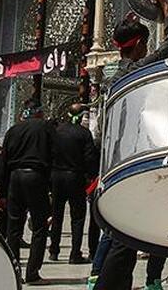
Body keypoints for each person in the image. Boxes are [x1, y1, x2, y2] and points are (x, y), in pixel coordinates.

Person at [93, 0, 168, 290]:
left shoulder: (113, 77)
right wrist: (165, 7)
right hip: (134, 166)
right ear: (140, 43)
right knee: (124, 243)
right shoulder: (138, 71)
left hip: (114, 165)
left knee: (123, 240)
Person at [0, 99, 55, 285]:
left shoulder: (13, 130)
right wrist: (52, 188)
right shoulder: (46, 128)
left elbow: (3, 161)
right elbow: (54, 156)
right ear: (39, 113)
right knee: (39, 226)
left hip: (15, 178)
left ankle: (14, 271)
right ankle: (33, 273)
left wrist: (0, 190)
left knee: (13, 228)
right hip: (36, 177)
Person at [49, 103, 97, 264]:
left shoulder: (57, 131)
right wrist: (91, 176)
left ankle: (53, 250)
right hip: (75, 177)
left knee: (57, 214)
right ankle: (75, 252)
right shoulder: (83, 134)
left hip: (56, 175)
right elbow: (89, 158)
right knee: (77, 217)